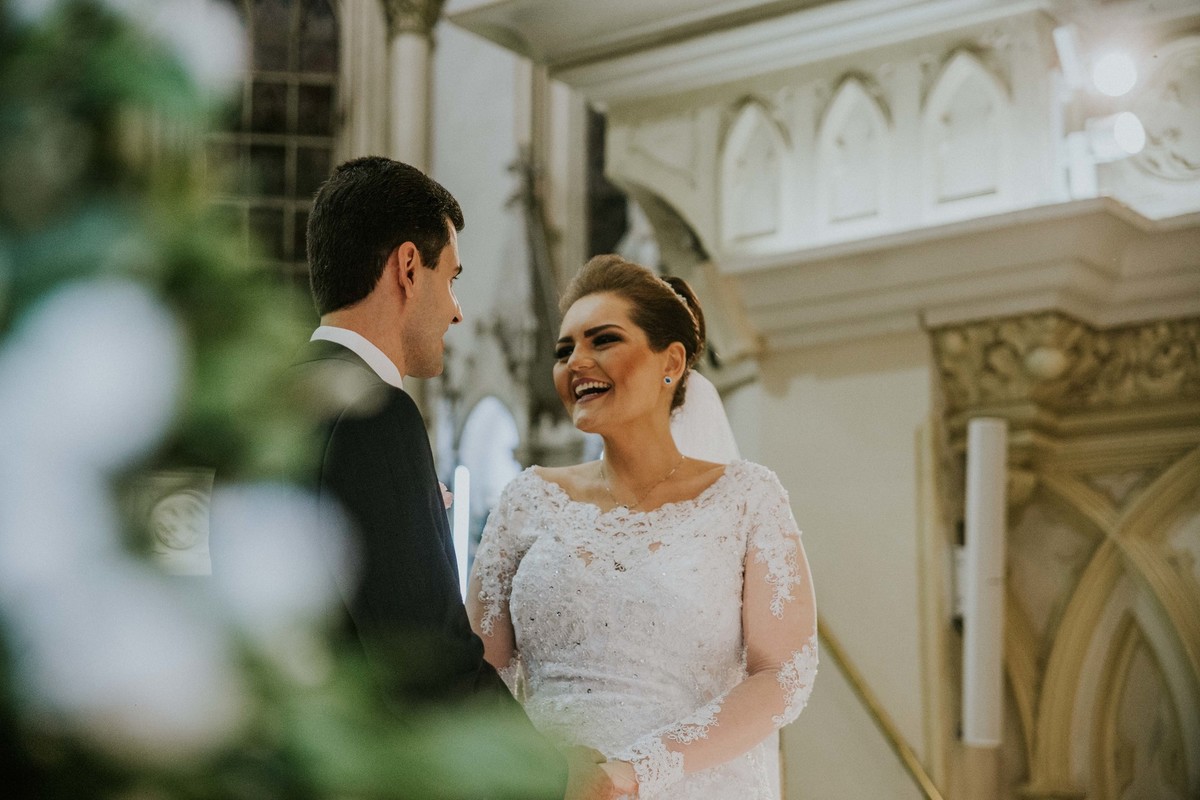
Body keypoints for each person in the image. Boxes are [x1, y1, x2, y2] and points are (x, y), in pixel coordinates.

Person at [295, 157, 627, 799]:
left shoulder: (279, 403)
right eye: (452, 279)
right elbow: (422, 655)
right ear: (408, 268)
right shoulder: (376, 414)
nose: (457, 311)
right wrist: (551, 774)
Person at [467, 255, 818, 799]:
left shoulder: (748, 499)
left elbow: (783, 676)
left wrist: (636, 772)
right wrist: (548, 770)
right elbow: (478, 669)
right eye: (564, 351)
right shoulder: (527, 500)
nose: (576, 362)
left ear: (670, 362)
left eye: (602, 340)